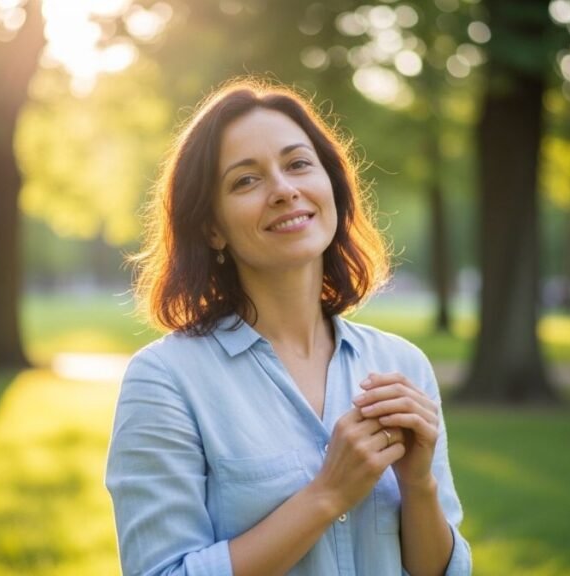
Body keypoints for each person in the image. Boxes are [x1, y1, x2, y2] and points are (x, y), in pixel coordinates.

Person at [106, 78, 472, 576]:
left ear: (332, 190)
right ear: (213, 227)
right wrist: (328, 494)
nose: (284, 190)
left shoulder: (402, 365)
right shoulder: (166, 380)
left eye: (298, 164)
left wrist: (418, 483)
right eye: (246, 180)